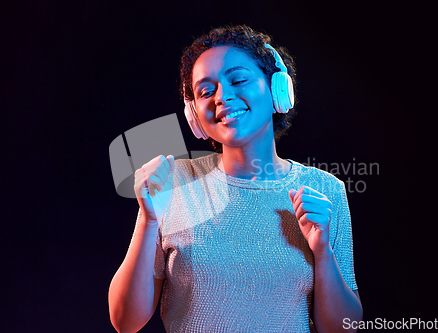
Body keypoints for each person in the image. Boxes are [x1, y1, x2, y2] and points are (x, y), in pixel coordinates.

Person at [108, 25, 363, 333]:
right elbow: (125, 322)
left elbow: (343, 328)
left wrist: (323, 252)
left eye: (238, 79)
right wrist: (149, 221)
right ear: (195, 116)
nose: (222, 97)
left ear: (277, 91)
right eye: (206, 91)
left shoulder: (325, 190)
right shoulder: (174, 183)